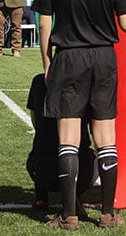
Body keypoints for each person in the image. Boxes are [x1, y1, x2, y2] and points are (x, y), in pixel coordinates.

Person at [32, 0, 126, 230]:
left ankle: (69, 215)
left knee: (69, 138)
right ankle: (107, 213)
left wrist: (47, 61)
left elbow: (45, 24)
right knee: (106, 137)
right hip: (104, 57)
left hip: (68, 57)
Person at [26, 73, 95, 216]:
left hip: (42, 171)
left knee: (38, 150)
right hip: (82, 174)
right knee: (103, 150)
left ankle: (41, 196)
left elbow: (35, 119)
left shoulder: (38, 82)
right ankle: (77, 194)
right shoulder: (85, 83)